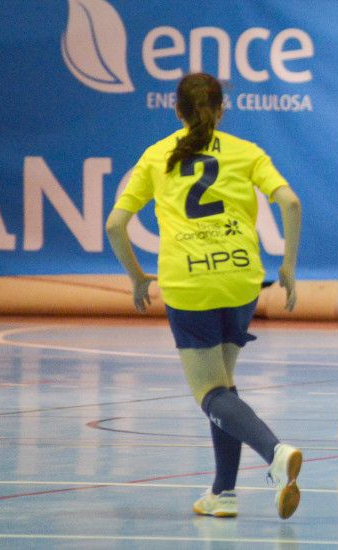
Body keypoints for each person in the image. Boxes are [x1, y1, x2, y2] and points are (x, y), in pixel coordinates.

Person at [105, 72, 304, 518]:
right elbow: (290, 203)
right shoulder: (246, 152)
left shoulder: (158, 156)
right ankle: (223, 493)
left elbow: (115, 225)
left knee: (209, 393)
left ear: (176, 110)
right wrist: (288, 267)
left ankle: (274, 452)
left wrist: (138, 277)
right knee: (224, 387)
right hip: (241, 280)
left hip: (189, 283)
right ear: (221, 110)